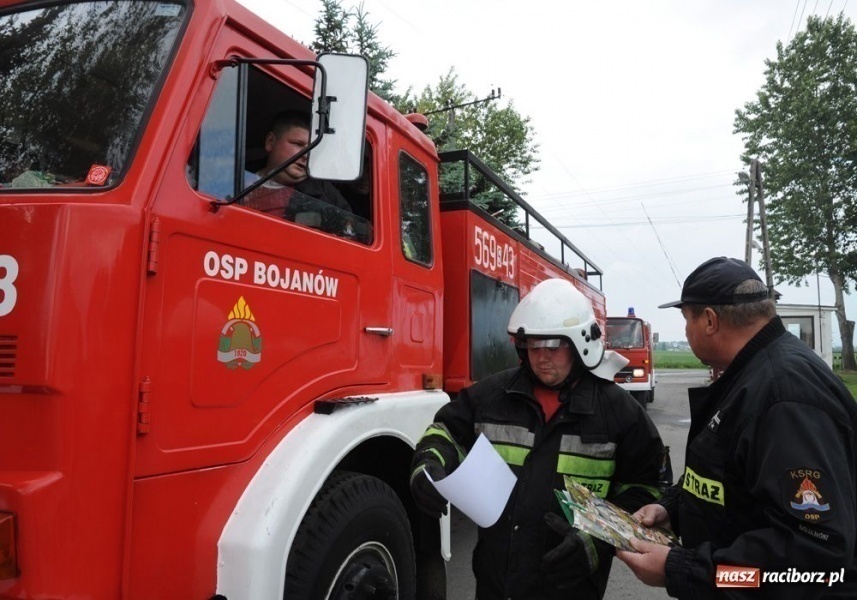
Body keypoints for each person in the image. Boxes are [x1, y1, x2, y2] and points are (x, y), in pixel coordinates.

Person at [409, 278, 669, 600]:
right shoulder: (492, 396)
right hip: (495, 584)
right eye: (533, 345)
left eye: (553, 346)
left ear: (580, 345)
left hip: (570, 587)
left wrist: (598, 540)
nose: (541, 357)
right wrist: (428, 464)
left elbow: (645, 491)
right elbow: (446, 432)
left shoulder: (619, 412)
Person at [617, 257, 857, 599]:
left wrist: (683, 571)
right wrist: (672, 508)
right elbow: (729, 476)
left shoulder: (783, 394)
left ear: (710, 321)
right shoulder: (749, 376)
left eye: (687, 319)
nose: (685, 332)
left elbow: (810, 564)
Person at [244, 110, 352, 216]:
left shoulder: (327, 199)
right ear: (270, 142)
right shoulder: (235, 175)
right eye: (298, 144)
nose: (306, 155)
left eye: (313, 150)